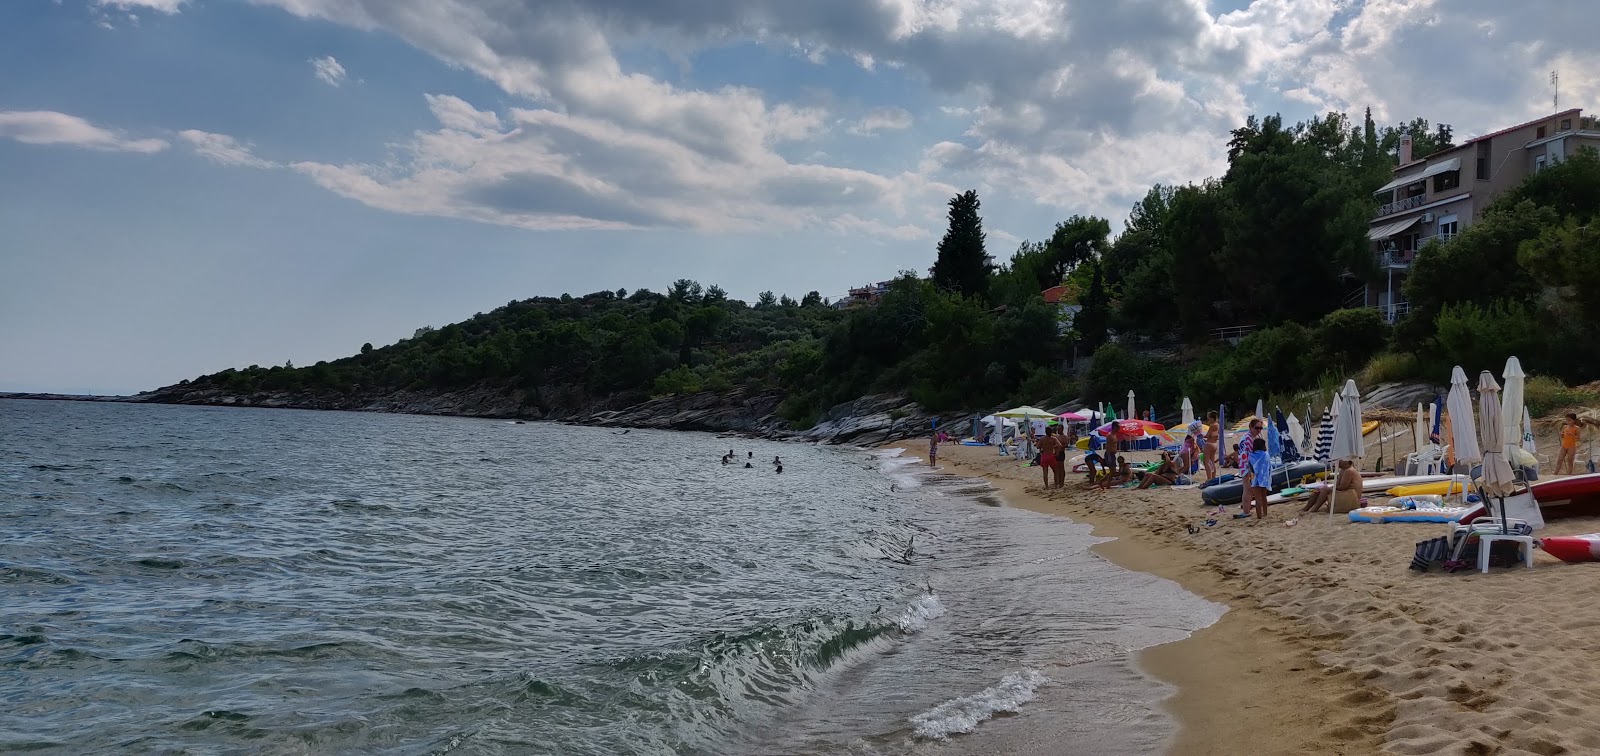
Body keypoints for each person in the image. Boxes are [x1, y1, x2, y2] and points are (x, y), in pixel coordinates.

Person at [1242, 438, 1272, 519]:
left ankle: (1259, 517)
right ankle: (1265, 513)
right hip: (1264, 478)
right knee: (1264, 496)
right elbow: (1269, 467)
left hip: (1255, 479)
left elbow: (1250, 467)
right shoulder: (1266, 454)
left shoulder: (1251, 455)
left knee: (1257, 498)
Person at [1202, 411, 1220, 481]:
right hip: (1215, 444)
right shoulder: (1217, 425)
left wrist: (1201, 435)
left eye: (1209, 419)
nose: (1208, 420)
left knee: (1206, 461)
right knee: (1212, 461)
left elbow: (1208, 435)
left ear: (1212, 418)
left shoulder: (1212, 425)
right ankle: (1213, 477)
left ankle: (1209, 478)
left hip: (1209, 443)